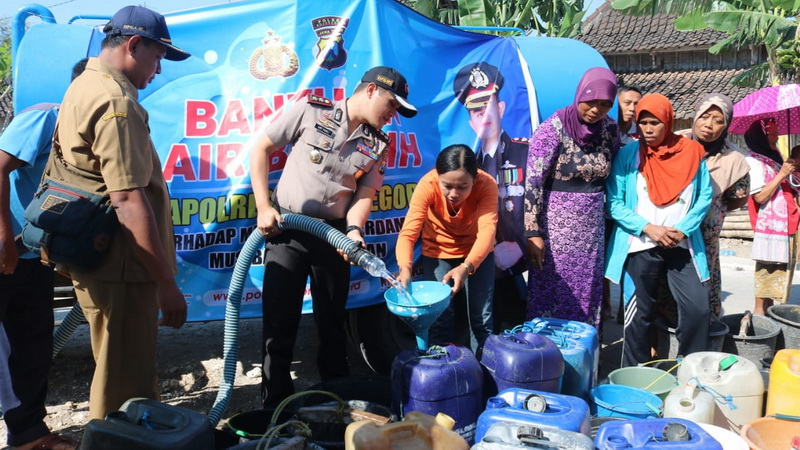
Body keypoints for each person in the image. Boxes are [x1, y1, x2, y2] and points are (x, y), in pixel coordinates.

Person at [53, 5, 190, 420]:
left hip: (100, 259)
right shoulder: (116, 103)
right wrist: (165, 283)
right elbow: (129, 200)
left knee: (115, 372)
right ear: (133, 45)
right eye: (158, 57)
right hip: (123, 268)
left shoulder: (84, 85)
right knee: (124, 392)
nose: (158, 70)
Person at [250, 66, 416, 406]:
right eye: (391, 104)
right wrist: (263, 206)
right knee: (279, 325)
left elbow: (365, 194)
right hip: (288, 231)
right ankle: (274, 408)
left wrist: (354, 230)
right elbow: (261, 149)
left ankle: (335, 404)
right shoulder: (311, 111)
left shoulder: (379, 144)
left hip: (334, 238)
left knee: (332, 324)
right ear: (371, 90)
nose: (393, 115)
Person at [0, 59, 86, 450]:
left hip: (34, 255)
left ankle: (29, 435)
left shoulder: (92, 131)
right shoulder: (45, 119)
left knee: (31, 345)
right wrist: (3, 236)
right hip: (5, 251)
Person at [605, 93, 713, 366]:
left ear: (668, 121)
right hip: (640, 242)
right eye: (643, 123)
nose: (648, 129)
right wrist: (648, 228)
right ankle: (633, 374)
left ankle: (690, 369)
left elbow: (705, 196)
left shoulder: (691, 152)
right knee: (638, 314)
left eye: (655, 123)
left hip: (681, 244)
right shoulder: (628, 155)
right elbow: (614, 202)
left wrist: (683, 229)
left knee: (697, 309)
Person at [524, 67, 620, 329]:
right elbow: (533, 182)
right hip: (556, 228)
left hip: (591, 226)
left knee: (588, 289)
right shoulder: (553, 128)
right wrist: (533, 233)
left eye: (604, 104)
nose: (596, 110)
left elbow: (613, 172)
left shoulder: (610, 129)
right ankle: (546, 356)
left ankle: (584, 356)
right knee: (553, 289)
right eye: (591, 102)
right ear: (580, 96)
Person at [655, 93, 750, 325]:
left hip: (705, 237)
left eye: (719, 121)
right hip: (668, 231)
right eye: (705, 117)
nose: (709, 125)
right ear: (695, 116)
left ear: (725, 126)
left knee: (700, 291)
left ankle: (698, 345)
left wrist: (713, 210)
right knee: (663, 289)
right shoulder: (673, 143)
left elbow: (738, 197)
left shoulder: (733, 159)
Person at [396, 144, 498, 354]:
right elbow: (408, 233)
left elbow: (487, 232)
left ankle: (484, 374)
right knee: (439, 319)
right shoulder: (427, 184)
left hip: (476, 253)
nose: (454, 194)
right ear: (437, 175)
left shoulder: (487, 184)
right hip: (438, 251)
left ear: (475, 178)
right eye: (447, 185)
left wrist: (467, 266)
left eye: (462, 186)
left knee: (481, 320)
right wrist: (405, 268)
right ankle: (442, 373)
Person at [452, 62, 529, 333]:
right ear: (471, 122)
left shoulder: (526, 153)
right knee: (477, 327)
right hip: (475, 260)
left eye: (488, 105)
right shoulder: (465, 164)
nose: (484, 115)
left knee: (517, 330)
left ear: (501, 108)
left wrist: (521, 246)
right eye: (476, 110)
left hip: (517, 265)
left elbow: (539, 207)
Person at [743, 118, 799, 316]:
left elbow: (787, 185)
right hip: (770, 229)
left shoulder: (774, 156)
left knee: (778, 279)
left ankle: (770, 318)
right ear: (760, 136)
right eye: (772, 133)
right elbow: (760, 196)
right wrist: (782, 173)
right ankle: (760, 320)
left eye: (776, 131)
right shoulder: (753, 161)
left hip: (783, 225)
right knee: (766, 276)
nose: (777, 136)